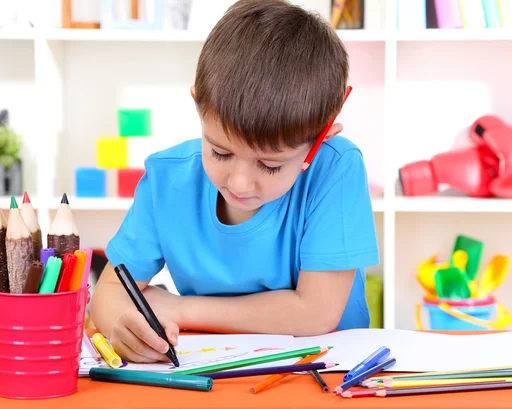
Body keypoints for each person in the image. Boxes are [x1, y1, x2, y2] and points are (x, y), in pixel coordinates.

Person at [90, 0, 379, 364]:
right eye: (220, 153)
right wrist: (125, 327)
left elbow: (316, 313)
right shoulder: (167, 178)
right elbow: (111, 292)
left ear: (322, 138)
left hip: (327, 376)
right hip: (209, 373)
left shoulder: (336, 168)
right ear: (198, 106)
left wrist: (181, 308)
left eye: (270, 165)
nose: (240, 183)